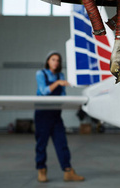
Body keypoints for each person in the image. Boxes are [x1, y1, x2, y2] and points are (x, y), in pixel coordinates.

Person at [35, 51, 84, 182]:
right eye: (53, 59)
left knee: (61, 143)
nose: (55, 62)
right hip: (42, 114)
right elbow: (44, 92)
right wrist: (58, 83)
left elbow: (62, 95)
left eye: (58, 60)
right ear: (48, 61)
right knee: (41, 144)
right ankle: (41, 170)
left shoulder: (60, 75)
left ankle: (68, 171)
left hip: (56, 114)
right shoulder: (41, 74)